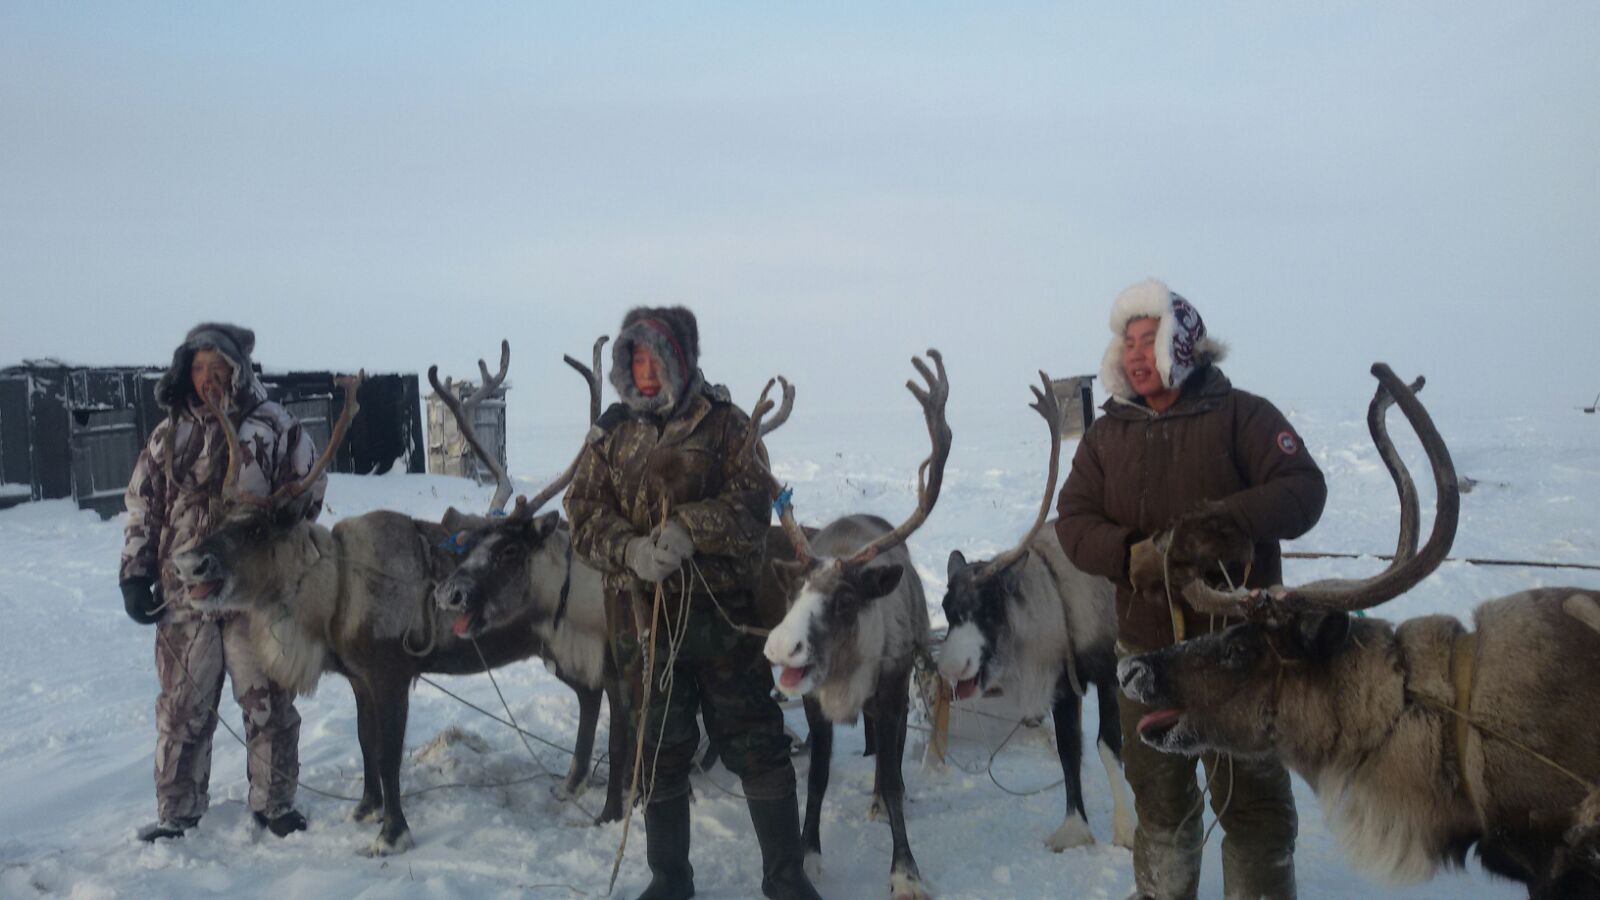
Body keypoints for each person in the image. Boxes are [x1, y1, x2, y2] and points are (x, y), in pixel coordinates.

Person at [1056, 280, 1327, 900]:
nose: (1134, 355)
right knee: (1161, 807)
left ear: (1184, 343)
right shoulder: (1107, 435)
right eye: (1127, 343)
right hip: (1144, 653)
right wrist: (1128, 554)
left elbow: (1303, 489)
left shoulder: (1244, 415)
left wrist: (1223, 525)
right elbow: (1073, 521)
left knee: (1254, 810)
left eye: (1148, 339)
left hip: (1240, 659)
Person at [565, 306, 821, 900]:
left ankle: (786, 879)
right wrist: (628, 550)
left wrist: (689, 529)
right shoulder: (610, 434)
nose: (645, 370)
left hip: (724, 621)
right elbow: (580, 515)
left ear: (680, 358)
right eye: (635, 358)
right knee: (658, 751)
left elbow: (756, 502)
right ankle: (669, 881)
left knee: (756, 741)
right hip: (642, 625)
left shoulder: (728, 425)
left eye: (656, 357)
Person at [119, 323, 325, 842]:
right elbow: (145, 505)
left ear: (237, 371)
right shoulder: (170, 433)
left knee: (267, 700)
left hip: (254, 593)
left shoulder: (275, 426)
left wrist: (283, 516)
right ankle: (178, 812)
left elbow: (309, 491)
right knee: (183, 705)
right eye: (198, 368)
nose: (207, 379)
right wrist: (136, 572)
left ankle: (275, 804)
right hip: (184, 592)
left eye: (217, 368)